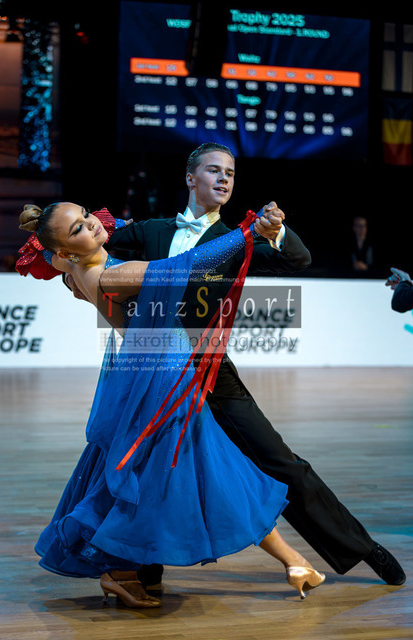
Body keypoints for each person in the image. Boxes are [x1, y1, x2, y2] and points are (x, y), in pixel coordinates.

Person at [65, 143, 406, 588]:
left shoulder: (237, 241)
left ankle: (362, 548)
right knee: (149, 467)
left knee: (282, 463)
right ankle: (145, 566)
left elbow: (296, 259)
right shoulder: (150, 231)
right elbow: (84, 245)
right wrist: (69, 266)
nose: (224, 178)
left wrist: (277, 230)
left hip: (209, 372)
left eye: (230, 172)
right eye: (213, 170)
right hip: (152, 374)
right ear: (190, 178)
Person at [17, 200, 327, 607]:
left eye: (86, 216)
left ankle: (125, 573)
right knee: (214, 471)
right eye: (77, 229)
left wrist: (93, 229)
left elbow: (48, 254)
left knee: (186, 472)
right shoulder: (111, 276)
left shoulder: (69, 266)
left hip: (151, 376)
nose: (91, 225)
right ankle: (292, 561)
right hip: (165, 383)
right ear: (66, 251)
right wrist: (248, 233)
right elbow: (189, 264)